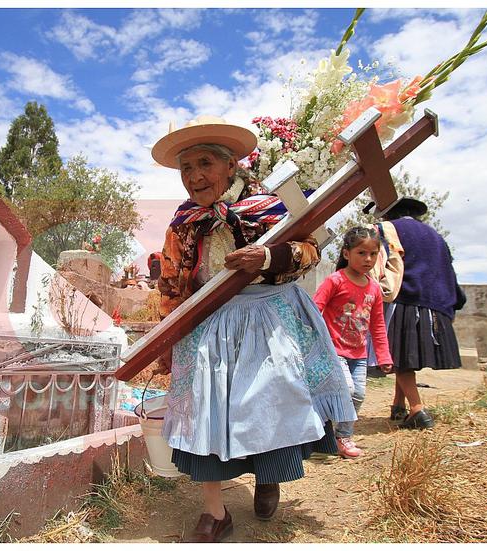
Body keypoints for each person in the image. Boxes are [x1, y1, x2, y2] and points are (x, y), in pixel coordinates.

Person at [151, 116, 357, 543]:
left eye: (204, 163)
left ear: (231, 166)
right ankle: (215, 512)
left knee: (268, 400)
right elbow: (170, 281)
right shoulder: (184, 222)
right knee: (207, 411)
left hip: (269, 315)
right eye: (186, 168)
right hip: (208, 321)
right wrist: (168, 339)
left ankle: (268, 477)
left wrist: (267, 258)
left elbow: (310, 249)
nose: (194, 176)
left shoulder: (271, 204)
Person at [365, 198, 466, 429]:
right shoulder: (436, 236)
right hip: (435, 302)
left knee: (399, 359)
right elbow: (448, 270)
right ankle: (398, 404)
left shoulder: (388, 230)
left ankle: (417, 410)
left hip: (406, 299)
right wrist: (455, 302)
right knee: (405, 356)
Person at [312, 227, 393, 458]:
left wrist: (384, 356)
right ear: (346, 254)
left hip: (358, 354)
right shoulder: (335, 281)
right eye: (361, 253)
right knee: (345, 389)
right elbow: (315, 309)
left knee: (358, 394)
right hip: (333, 350)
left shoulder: (374, 289)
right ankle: (321, 434)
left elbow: (378, 326)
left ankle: (343, 436)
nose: (368, 259)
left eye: (373, 254)